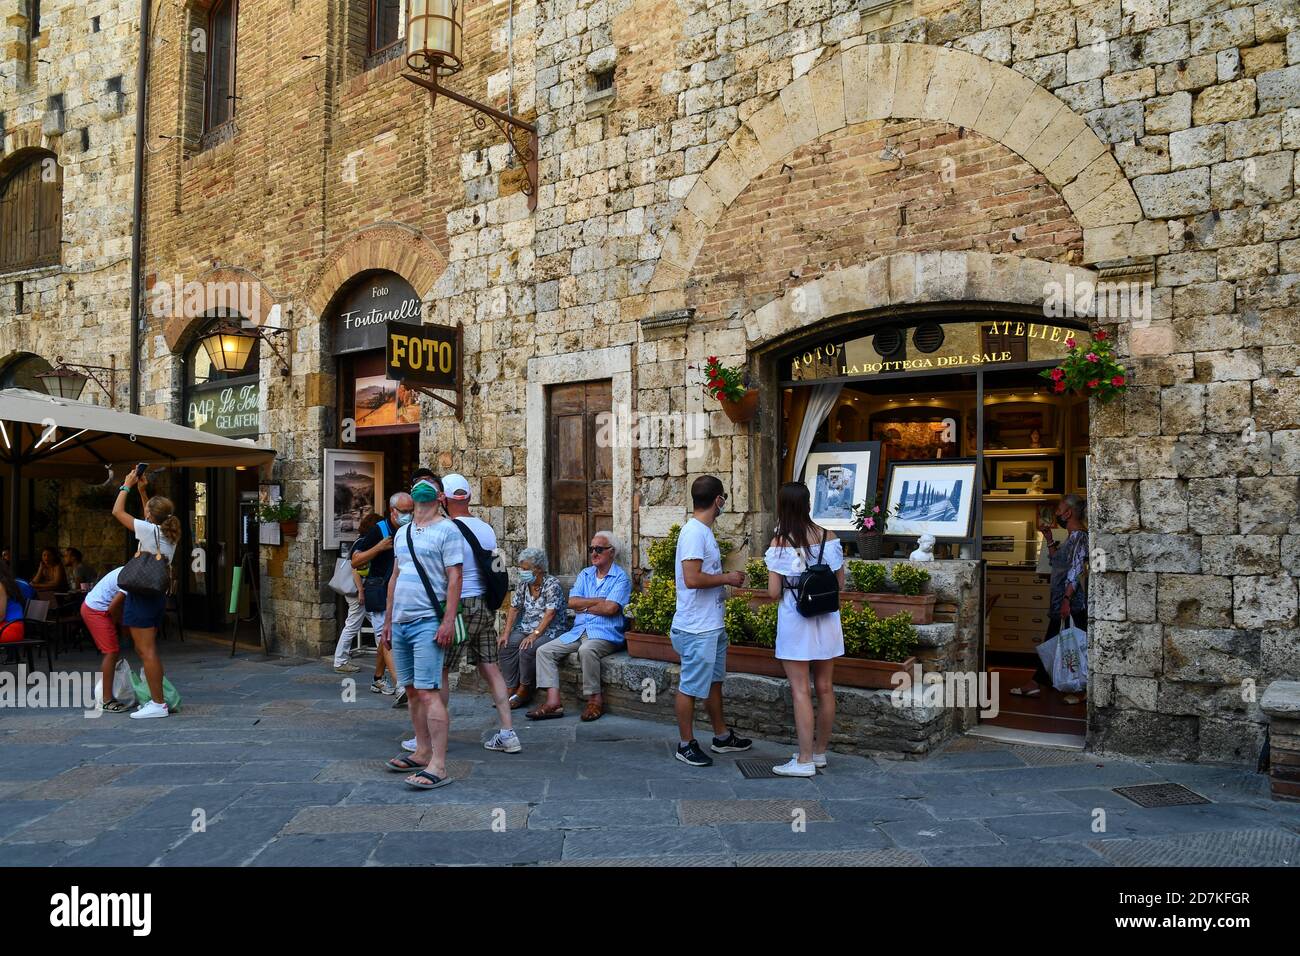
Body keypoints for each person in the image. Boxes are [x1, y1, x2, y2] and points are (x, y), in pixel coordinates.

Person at [381, 475, 463, 790]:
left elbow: (455, 578)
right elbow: (394, 578)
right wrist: (388, 621)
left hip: (428, 620)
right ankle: (421, 750)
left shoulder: (449, 530)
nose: (420, 487)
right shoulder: (402, 533)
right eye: (416, 483)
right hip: (400, 622)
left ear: (440, 496)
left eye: (427, 484)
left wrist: (447, 621)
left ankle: (438, 765)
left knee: (428, 692)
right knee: (412, 690)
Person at [667, 475, 751, 766]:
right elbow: (692, 579)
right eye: (724, 498)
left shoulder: (702, 531)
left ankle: (722, 736)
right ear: (718, 501)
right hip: (696, 628)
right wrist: (727, 578)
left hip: (710, 624)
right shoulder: (694, 533)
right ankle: (685, 744)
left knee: (714, 683)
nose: (724, 503)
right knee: (690, 686)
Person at [765, 481, 846, 776]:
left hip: (796, 618)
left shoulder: (781, 543)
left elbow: (774, 592)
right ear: (809, 504)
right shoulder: (829, 536)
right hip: (826, 618)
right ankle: (820, 752)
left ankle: (804, 760)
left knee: (801, 690)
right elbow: (839, 584)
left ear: (783, 507)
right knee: (825, 688)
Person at [437, 474, 520, 754]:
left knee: (441, 670)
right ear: (469, 497)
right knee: (491, 668)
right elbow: (497, 567)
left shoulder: (444, 529)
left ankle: (433, 736)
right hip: (483, 605)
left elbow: (444, 572)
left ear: (444, 499)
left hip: (457, 607)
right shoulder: (486, 529)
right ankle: (508, 732)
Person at [527, 531, 631, 722]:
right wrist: (597, 601)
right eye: (591, 549)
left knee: (587, 650)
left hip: (605, 634)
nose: (593, 553)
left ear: (612, 552)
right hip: (578, 631)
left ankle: (595, 700)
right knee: (544, 651)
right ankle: (553, 703)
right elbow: (572, 602)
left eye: (599, 549)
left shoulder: (620, 578)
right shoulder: (585, 574)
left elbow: (610, 609)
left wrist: (587, 605)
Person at [110, 468, 180, 719]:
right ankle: (155, 699)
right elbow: (147, 518)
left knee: (147, 650)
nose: (145, 513)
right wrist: (142, 491)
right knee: (145, 649)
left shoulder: (151, 532)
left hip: (143, 597)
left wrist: (126, 485)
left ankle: (158, 704)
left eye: (147, 510)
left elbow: (117, 512)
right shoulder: (165, 532)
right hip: (153, 595)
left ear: (151, 515)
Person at [1012, 493, 1089, 703]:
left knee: (1063, 642)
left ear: (1068, 512)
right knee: (1057, 642)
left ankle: (1046, 685)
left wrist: (1066, 600)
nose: (1057, 513)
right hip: (1062, 601)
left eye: (1059, 509)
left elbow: (1075, 570)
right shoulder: (1071, 537)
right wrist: (1048, 539)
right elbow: (1058, 562)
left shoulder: (1080, 537)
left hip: (1071, 602)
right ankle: (1044, 683)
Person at [337, 499, 410, 694]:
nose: (408, 514)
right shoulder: (379, 530)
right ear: (392, 511)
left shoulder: (411, 529)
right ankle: (400, 684)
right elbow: (356, 560)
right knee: (386, 639)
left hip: (402, 594)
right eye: (404, 511)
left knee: (386, 639)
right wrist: (379, 547)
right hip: (379, 593)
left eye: (411, 510)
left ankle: (378, 679)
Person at [499, 547, 565, 709]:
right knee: (506, 645)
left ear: (539, 569)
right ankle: (510, 687)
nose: (522, 572)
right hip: (526, 627)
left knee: (527, 648)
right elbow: (514, 608)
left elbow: (550, 614)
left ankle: (524, 689)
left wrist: (534, 635)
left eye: (526, 569)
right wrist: (506, 633)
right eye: (522, 568)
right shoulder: (523, 583)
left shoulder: (552, 584)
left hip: (551, 630)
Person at [81, 566, 129, 712]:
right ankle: (106, 700)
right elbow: (113, 607)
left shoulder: (131, 569)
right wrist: (118, 626)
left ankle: (108, 695)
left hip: (97, 607)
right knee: (111, 652)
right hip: (96, 610)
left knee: (113, 651)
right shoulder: (132, 578)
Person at [0, 561, 25, 645]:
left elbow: (1, 615)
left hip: (9, 628)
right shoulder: (5, 583)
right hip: (6, 626)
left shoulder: (0, 586)